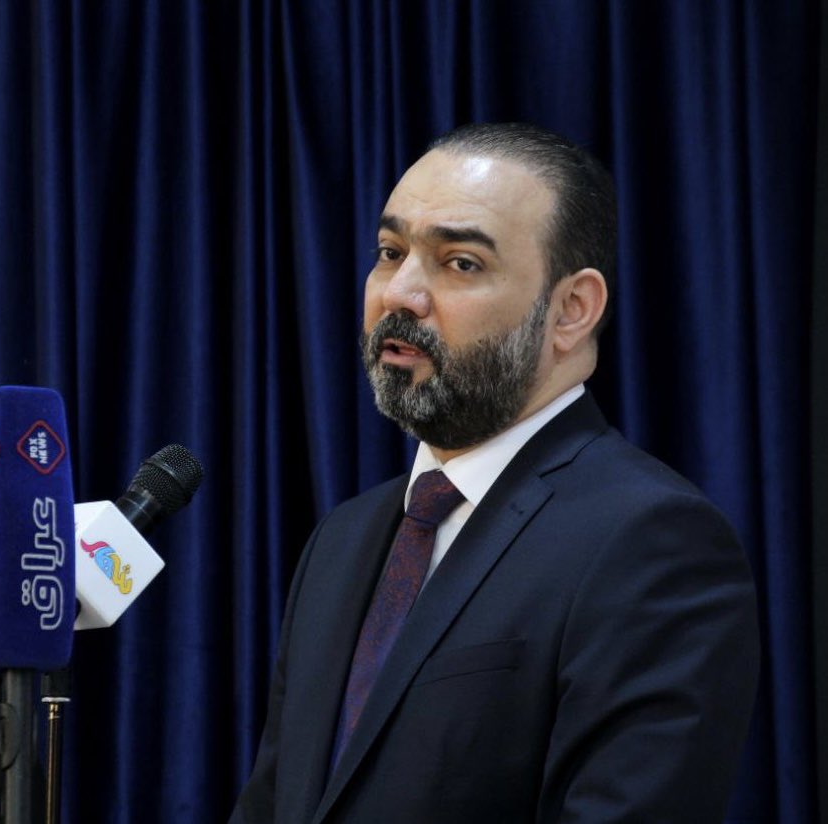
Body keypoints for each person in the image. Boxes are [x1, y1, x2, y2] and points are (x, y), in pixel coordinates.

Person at [230, 122, 759, 823]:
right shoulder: (343, 537)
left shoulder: (652, 541)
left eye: (460, 263)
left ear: (571, 311)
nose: (401, 294)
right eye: (390, 253)